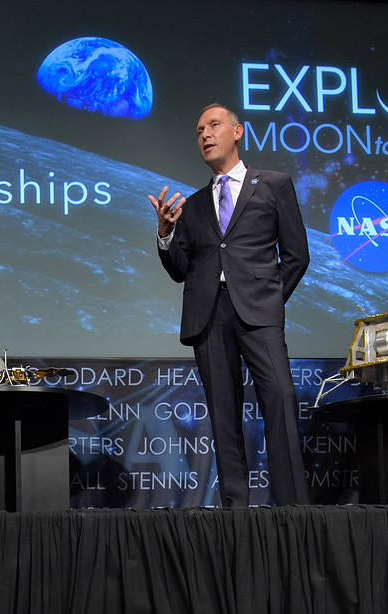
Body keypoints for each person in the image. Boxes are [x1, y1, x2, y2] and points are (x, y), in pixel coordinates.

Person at [149, 103, 310, 507]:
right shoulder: (195, 204)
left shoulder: (273, 185)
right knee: (223, 413)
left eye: (213, 125)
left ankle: (292, 509)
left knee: (280, 397)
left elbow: (297, 255)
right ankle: (236, 510)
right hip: (209, 318)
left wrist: (268, 298)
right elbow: (180, 268)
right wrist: (166, 235)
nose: (204, 134)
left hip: (259, 314)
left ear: (237, 132)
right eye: (199, 129)